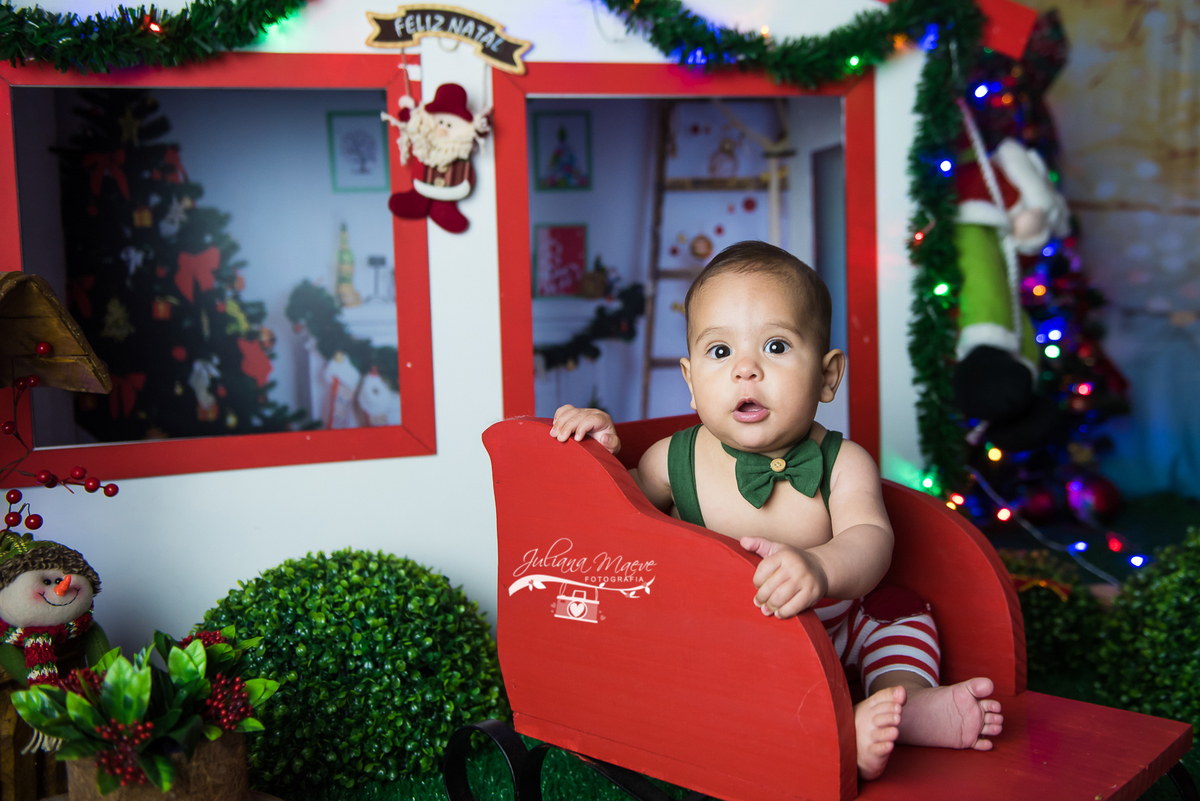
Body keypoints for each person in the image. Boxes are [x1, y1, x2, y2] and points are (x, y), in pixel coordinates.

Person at [548, 241, 1003, 780]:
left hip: (838, 624)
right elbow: (620, 524)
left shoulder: (843, 462)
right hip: (731, 644)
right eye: (721, 353)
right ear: (692, 382)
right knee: (715, 672)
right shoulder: (673, 460)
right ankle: (835, 732)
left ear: (828, 376)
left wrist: (821, 567)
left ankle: (904, 701)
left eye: (777, 346)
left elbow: (871, 540)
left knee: (901, 619)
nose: (747, 370)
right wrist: (600, 455)